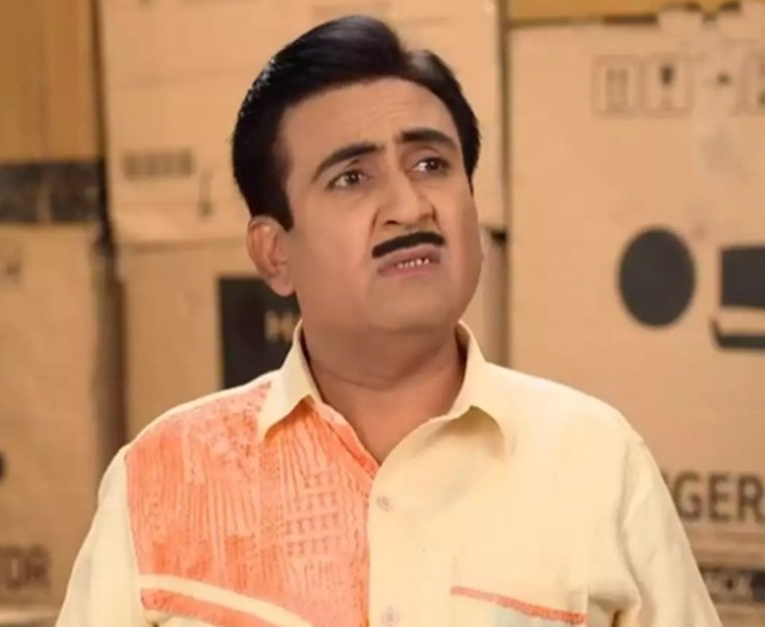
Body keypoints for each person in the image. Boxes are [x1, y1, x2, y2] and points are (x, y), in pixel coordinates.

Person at [56, 15, 721, 627]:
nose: (409, 206)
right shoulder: (164, 477)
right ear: (274, 252)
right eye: (352, 178)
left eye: (432, 165)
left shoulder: (595, 463)